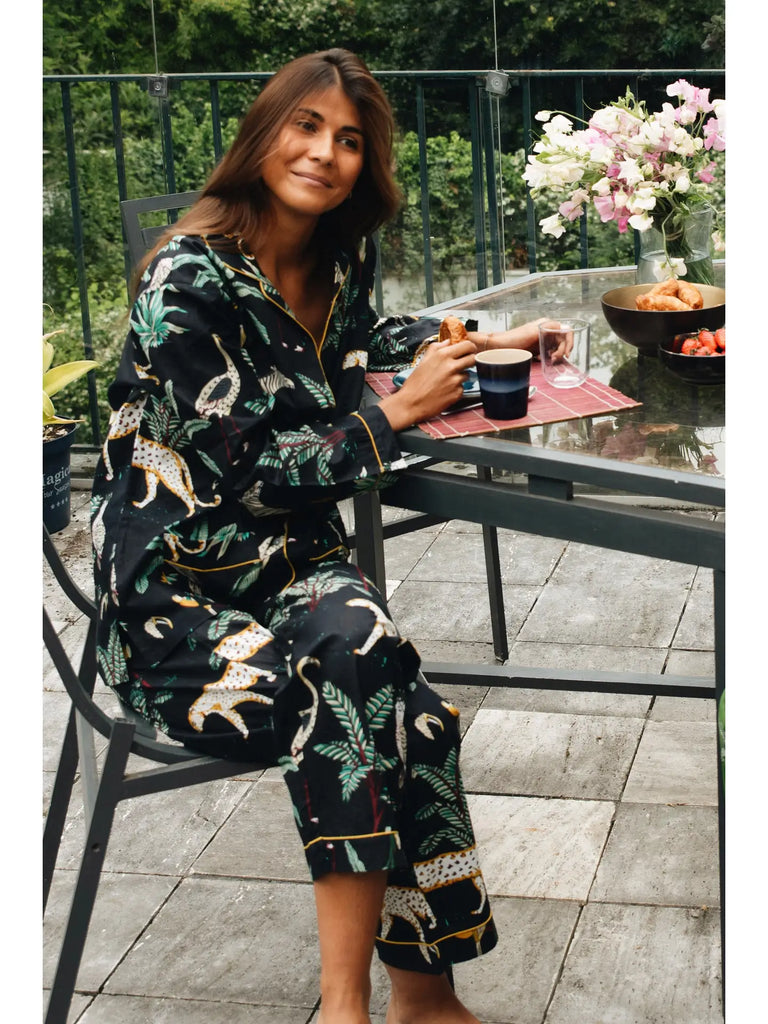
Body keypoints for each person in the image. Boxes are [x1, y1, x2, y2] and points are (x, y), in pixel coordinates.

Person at [91, 48, 544, 1024]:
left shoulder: (338, 254)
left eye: (348, 139)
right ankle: (358, 1004)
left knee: (375, 669)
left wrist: (469, 339)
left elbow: (362, 339)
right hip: (176, 600)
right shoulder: (185, 281)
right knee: (370, 685)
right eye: (308, 126)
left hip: (293, 568)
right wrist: (394, 419)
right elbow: (247, 467)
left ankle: (422, 998)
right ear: (265, 132)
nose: (326, 153)